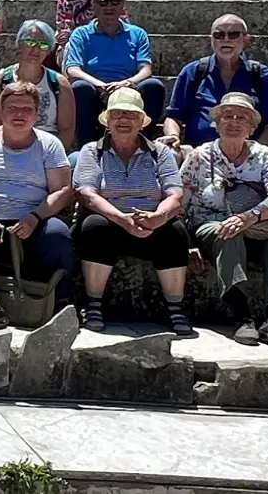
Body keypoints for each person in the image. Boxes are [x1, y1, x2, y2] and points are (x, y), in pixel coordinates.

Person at [0, 81, 77, 331]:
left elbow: (63, 189)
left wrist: (35, 217)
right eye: (13, 108)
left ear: (37, 113)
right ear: (1, 111)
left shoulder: (49, 144)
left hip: (34, 221)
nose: (19, 114)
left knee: (58, 234)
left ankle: (61, 302)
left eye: (27, 109)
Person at [181, 92, 268, 350]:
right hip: (210, 227)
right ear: (216, 123)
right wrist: (186, 244)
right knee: (228, 231)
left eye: (241, 117)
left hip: (255, 227)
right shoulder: (199, 157)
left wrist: (249, 217)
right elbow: (180, 204)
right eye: (227, 116)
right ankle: (242, 315)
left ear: (252, 127)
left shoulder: (263, 155)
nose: (233, 122)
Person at [72, 88, 192, 336]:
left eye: (131, 115)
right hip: (109, 222)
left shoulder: (161, 153)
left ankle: (176, 307)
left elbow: (175, 195)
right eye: (117, 114)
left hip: (150, 223)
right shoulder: (92, 151)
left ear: (141, 121)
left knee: (176, 231)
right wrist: (121, 219)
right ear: (108, 120)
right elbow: (86, 194)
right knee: (94, 226)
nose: (124, 120)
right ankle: (93, 303)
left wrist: (159, 217)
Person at [161, 14, 268, 190]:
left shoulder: (260, 74)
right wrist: (173, 136)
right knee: (167, 152)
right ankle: (177, 211)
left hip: (249, 154)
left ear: (246, 39)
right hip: (200, 154)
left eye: (233, 35)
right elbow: (173, 117)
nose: (226, 39)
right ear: (211, 39)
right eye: (219, 35)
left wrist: (253, 154)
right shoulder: (194, 71)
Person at [63, 0, 166, 145]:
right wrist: (101, 85)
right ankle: (87, 146)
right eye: (103, 2)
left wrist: (126, 83)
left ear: (122, 5)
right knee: (80, 88)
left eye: (114, 1)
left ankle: (144, 143)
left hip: (129, 92)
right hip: (95, 91)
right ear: (93, 5)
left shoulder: (138, 34)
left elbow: (146, 69)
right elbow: (73, 69)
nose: (109, 7)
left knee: (154, 86)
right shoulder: (80, 34)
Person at [0, 21, 75, 151]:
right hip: (6, 149)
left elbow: (67, 130)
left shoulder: (59, 83)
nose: (36, 50)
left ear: (49, 51)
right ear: (20, 44)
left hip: (48, 150)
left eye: (43, 45)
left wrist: (51, 157)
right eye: (31, 43)